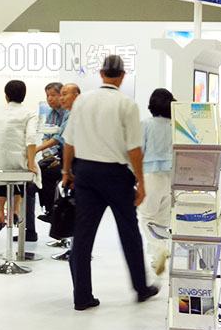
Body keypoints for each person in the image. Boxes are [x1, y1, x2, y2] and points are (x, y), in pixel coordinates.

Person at [62, 55, 158, 311]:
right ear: (122, 76)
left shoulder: (82, 100)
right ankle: (141, 288)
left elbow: (69, 142)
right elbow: (134, 148)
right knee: (129, 232)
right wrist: (141, 182)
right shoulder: (127, 104)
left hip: (85, 173)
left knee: (83, 236)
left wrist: (66, 171)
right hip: (116, 176)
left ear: (101, 73)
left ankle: (82, 296)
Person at [0, 80, 38, 236]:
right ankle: (14, 210)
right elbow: (31, 139)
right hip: (18, 163)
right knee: (20, 173)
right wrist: (31, 164)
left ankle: (1, 210)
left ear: (6, 96)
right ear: (24, 95)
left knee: (2, 171)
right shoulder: (30, 113)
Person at [139, 88, 175, 275]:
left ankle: (158, 248)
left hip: (151, 175)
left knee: (146, 217)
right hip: (171, 176)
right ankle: (157, 257)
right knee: (162, 220)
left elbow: (139, 151)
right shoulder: (174, 126)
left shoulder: (146, 124)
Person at [36, 82, 65, 220]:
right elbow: (46, 135)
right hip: (55, 154)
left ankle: (53, 210)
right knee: (38, 169)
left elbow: (60, 138)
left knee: (48, 173)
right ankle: (48, 209)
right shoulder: (51, 113)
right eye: (47, 96)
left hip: (68, 156)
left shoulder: (68, 113)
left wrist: (39, 149)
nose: (49, 99)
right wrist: (46, 152)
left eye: (53, 95)